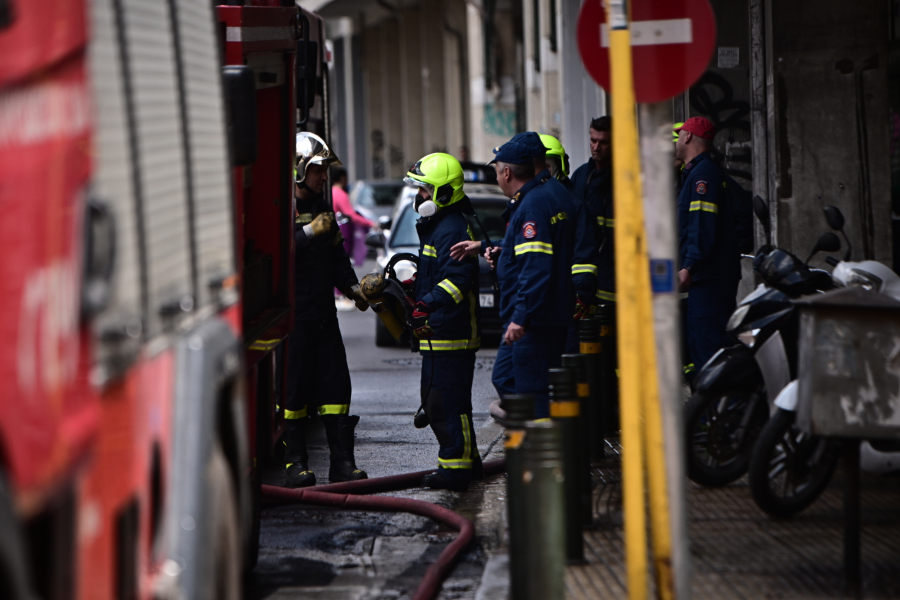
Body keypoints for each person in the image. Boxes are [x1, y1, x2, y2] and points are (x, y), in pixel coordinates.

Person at [453, 135, 574, 418]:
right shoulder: (547, 195)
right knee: (509, 378)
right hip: (546, 314)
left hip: (533, 320)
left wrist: (521, 317)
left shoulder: (531, 206)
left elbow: (536, 267)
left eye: (496, 170)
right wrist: (485, 248)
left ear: (506, 172)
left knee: (532, 393)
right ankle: (531, 442)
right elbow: (531, 251)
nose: (496, 176)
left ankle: (540, 450)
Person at [284, 132, 370, 488]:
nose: (324, 177)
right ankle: (295, 465)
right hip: (297, 318)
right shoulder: (283, 207)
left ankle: (342, 464)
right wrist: (305, 235)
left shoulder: (324, 209)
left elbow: (337, 258)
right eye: (319, 169)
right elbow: (279, 255)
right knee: (295, 393)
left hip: (324, 315)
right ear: (300, 169)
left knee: (336, 388)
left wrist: (355, 289)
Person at [404, 153, 483, 491]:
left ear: (443, 193)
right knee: (446, 402)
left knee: (443, 402)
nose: (419, 196)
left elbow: (457, 281)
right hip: (440, 332)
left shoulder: (450, 229)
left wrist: (427, 302)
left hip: (452, 333)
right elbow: (438, 274)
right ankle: (467, 460)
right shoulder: (439, 226)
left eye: (424, 190)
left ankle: (456, 469)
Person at [674, 117, 741, 373]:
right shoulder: (700, 173)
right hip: (707, 280)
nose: (677, 140)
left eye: (680, 134)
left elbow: (701, 227)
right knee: (703, 351)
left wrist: (689, 266)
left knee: (711, 356)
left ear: (689, 137)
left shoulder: (702, 176)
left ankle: (722, 412)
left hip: (709, 281)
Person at [540, 134, 599, 352]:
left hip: (569, 300)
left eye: (546, 166)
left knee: (570, 362)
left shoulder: (574, 205)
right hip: (548, 300)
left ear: (559, 166)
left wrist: (582, 294)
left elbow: (584, 254)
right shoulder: (539, 202)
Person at [571, 117, 615, 305]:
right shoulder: (581, 176)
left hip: (615, 271)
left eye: (603, 142)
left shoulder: (625, 178)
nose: (596, 147)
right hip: (585, 272)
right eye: (593, 140)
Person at [331, 166, 375, 266]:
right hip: (341, 237)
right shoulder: (340, 194)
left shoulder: (331, 192)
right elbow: (351, 215)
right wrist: (371, 224)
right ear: (343, 178)